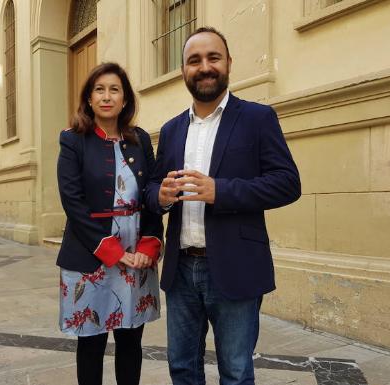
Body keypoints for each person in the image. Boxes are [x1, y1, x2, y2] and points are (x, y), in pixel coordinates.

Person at [145, 27, 301, 385]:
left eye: (213, 58)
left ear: (228, 63)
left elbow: (288, 184)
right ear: (184, 70)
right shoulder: (171, 130)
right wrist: (161, 197)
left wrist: (221, 191)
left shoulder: (257, 119)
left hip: (236, 267)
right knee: (183, 368)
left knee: (235, 372)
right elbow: (152, 187)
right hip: (181, 270)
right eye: (194, 60)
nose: (204, 67)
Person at [57, 62, 163, 385]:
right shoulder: (73, 140)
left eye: (114, 89)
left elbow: (152, 192)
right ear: (89, 99)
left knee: (131, 340)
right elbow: (72, 201)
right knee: (91, 342)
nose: (106, 96)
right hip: (91, 253)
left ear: (125, 98)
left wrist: (150, 240)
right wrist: (108, 247)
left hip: (136, 255)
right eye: (99, 90)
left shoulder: (140, 140)